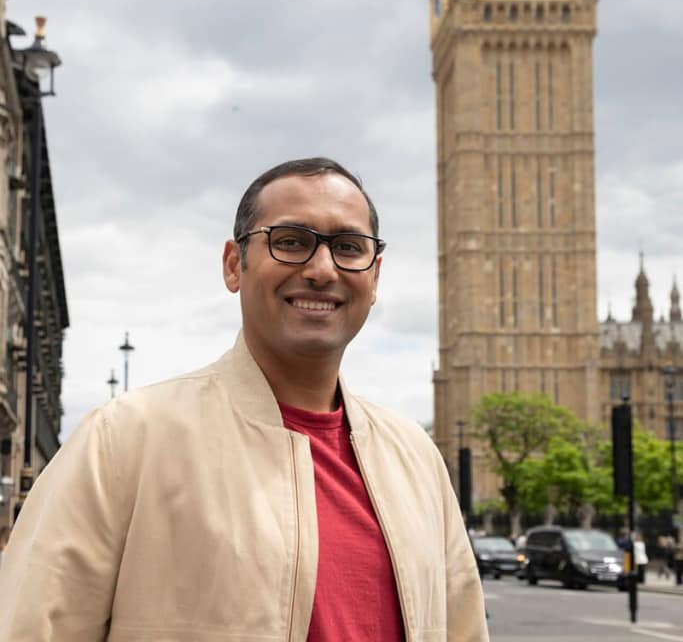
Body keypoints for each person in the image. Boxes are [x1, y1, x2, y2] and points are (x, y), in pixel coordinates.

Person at [0, 157, 488, 641]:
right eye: (291, 242)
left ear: (375, 275)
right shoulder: (124, 439)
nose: (322, 269)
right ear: (235, 265)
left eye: (347, 247)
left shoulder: (417, 460)